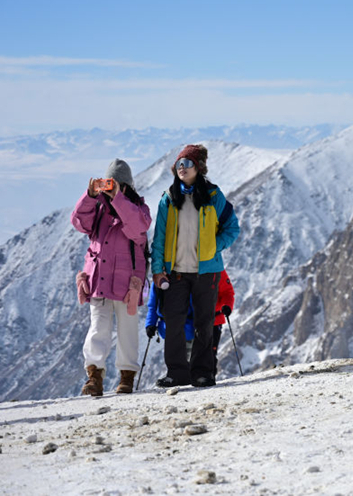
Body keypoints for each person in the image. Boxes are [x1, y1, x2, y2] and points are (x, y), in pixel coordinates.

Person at [151, 145, 239, 388]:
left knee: (204, 323)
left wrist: (214, 246)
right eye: (179, 164)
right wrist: (157, 270)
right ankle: (177, 373)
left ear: (198, 168)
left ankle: (203, 373)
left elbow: (232, 228)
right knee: (173, 322)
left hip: (207, 271)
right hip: (176, 272)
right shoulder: (168, 198)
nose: (182, 168)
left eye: (187, 163)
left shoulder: (213, 196)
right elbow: (159, 238)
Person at [71, 159, 151, 396]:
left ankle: (126, 376)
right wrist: (89, 196)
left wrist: (118, 199)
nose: (110, 188)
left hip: (128, 284)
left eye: (115, 184)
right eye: (107, 183)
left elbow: (137, 228)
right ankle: (94, 376)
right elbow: (78, 221)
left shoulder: (139, 209)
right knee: (98, 329)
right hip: (99, 280)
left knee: (128, 331)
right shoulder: (98, 209)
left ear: (126, 186)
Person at [213, 269, 236, 378]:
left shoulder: (217, 269)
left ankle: (208, 377)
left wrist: (227, 305)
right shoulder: (186, 267)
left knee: (210, 353)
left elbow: (227, 292)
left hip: (214, 320)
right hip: (190, 322)